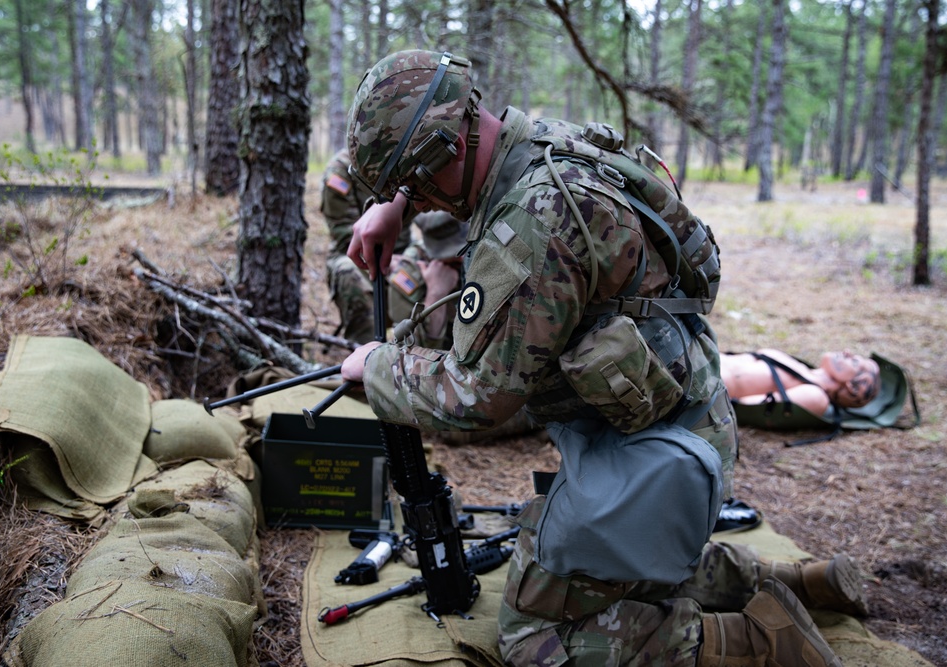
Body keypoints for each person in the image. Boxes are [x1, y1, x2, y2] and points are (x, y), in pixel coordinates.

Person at [340, 50, 846, 666]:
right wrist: (396, 205)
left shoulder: (530, 229)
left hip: (659, 461)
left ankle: (761, 641)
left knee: (538, 642)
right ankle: (786, 580)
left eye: (418, 183)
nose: (421, 200)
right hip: (686, 411)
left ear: (447, 148)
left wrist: (375, 367)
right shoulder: (545, 142)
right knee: (597, 567)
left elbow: (479, 396)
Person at [320, 148, 414, 343]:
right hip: (355, 257)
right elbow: (343, 233)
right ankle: (363, 355)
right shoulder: (341, 170)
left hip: (402, 255)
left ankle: (419, 360)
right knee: (348, 275)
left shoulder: (402, 160)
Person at [388, 211, 468, 349]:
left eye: (466, 248)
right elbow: (406, 351)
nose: (462, 257)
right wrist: (436, 294)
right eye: (453, 254)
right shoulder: (410, 271)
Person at [721, 349, 881, 415]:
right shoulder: (803, 369)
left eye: (854, 362)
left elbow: (747, 408)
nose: (847, 351)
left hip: (705, 382)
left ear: (852, 388)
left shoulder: (816, 396)